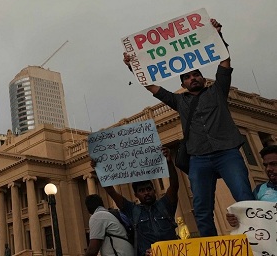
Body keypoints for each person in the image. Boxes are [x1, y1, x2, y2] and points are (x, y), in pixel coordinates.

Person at [123, 18, 253, 237]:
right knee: (202, 209)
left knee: (245, 197)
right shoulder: (179, 101)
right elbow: (152, 86)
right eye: (188, 77)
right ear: (183, 83)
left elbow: (224, 63)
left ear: (202, 78)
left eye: (196, 75)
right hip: (199, 159)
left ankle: (258, 242)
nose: (193, 79)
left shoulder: (218, 90)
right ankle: (211, 247)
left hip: (227, 152)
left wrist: (217, 36)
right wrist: (132, 66)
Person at [93, 147, 179, 256]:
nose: (146, 193)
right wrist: (99, 169)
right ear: (136, 195)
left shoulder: (165, 205)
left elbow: (174, 185)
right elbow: (111, 192)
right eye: (141, 191)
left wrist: (169, 163)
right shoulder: (133, 210)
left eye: (148, 189)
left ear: (154, 191)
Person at [226, 145, 277, 227]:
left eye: (273, 164)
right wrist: (236, 219)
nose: (268, 169)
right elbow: (251, 216)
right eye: (265, 165)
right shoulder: (259, 190)